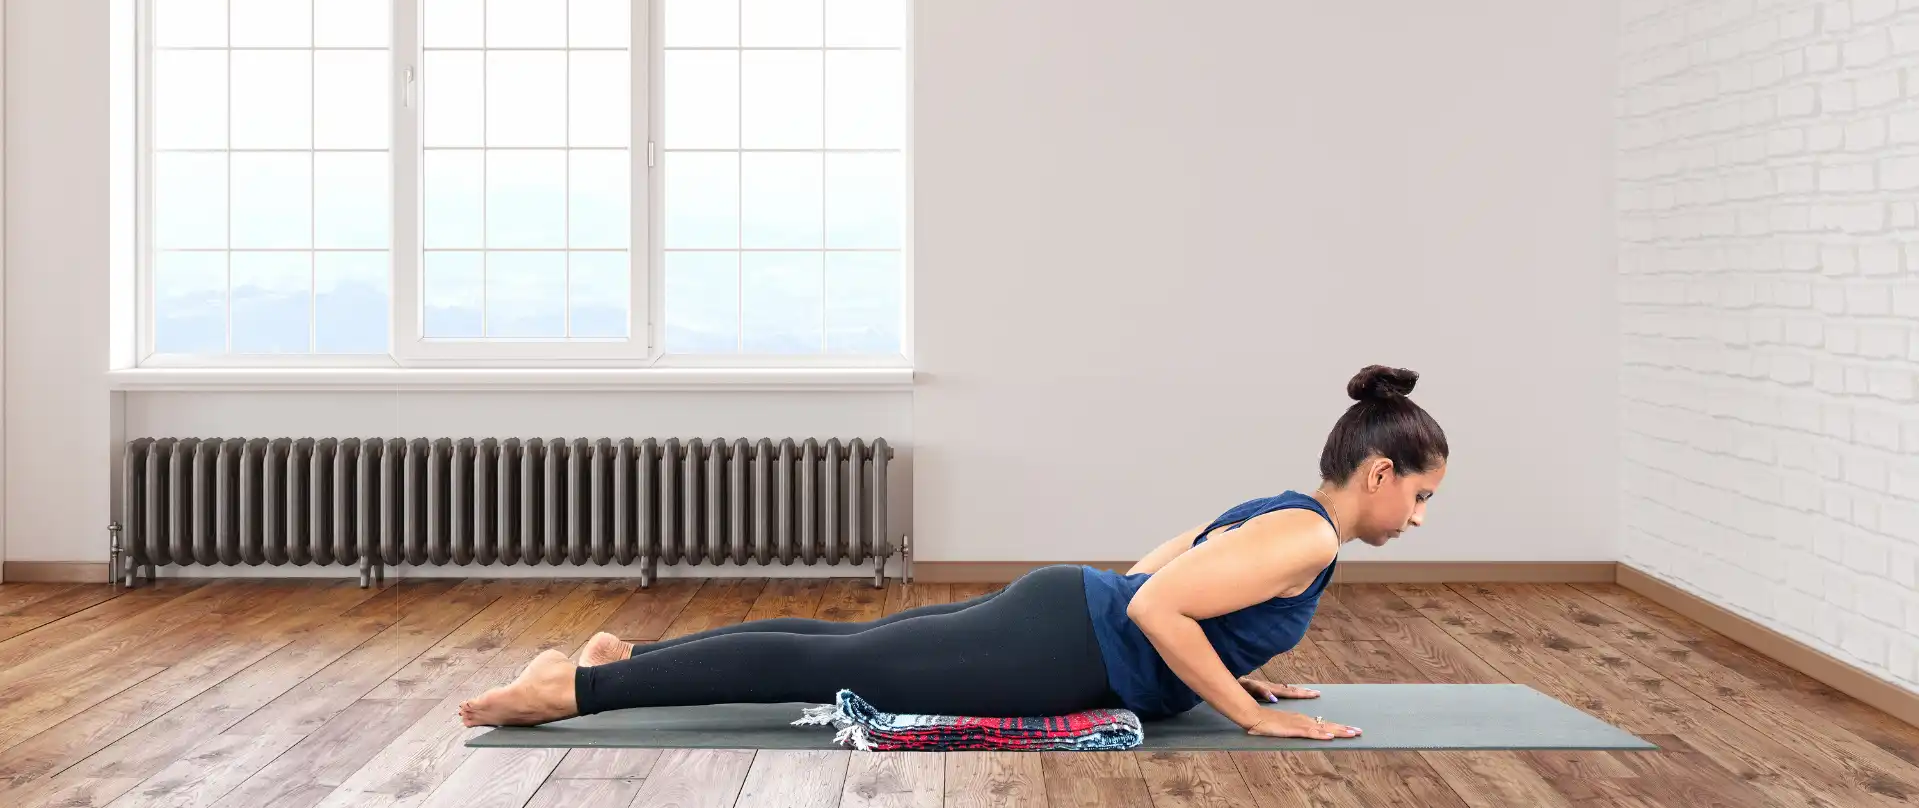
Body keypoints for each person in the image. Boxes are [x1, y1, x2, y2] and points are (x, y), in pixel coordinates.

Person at [458, 364, 1449, 740]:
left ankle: (623, 660)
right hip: (1068, 644)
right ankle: (571, 693)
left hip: (1061, 614)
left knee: (843, 647)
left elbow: (1167, 565)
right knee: (840, 665)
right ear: (1378, 474)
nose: (1417, 517)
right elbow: (1155, 607)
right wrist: (1244, 715)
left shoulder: (1287, 513)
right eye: (1420, 495)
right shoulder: (1308, 537)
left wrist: (1235, 670)